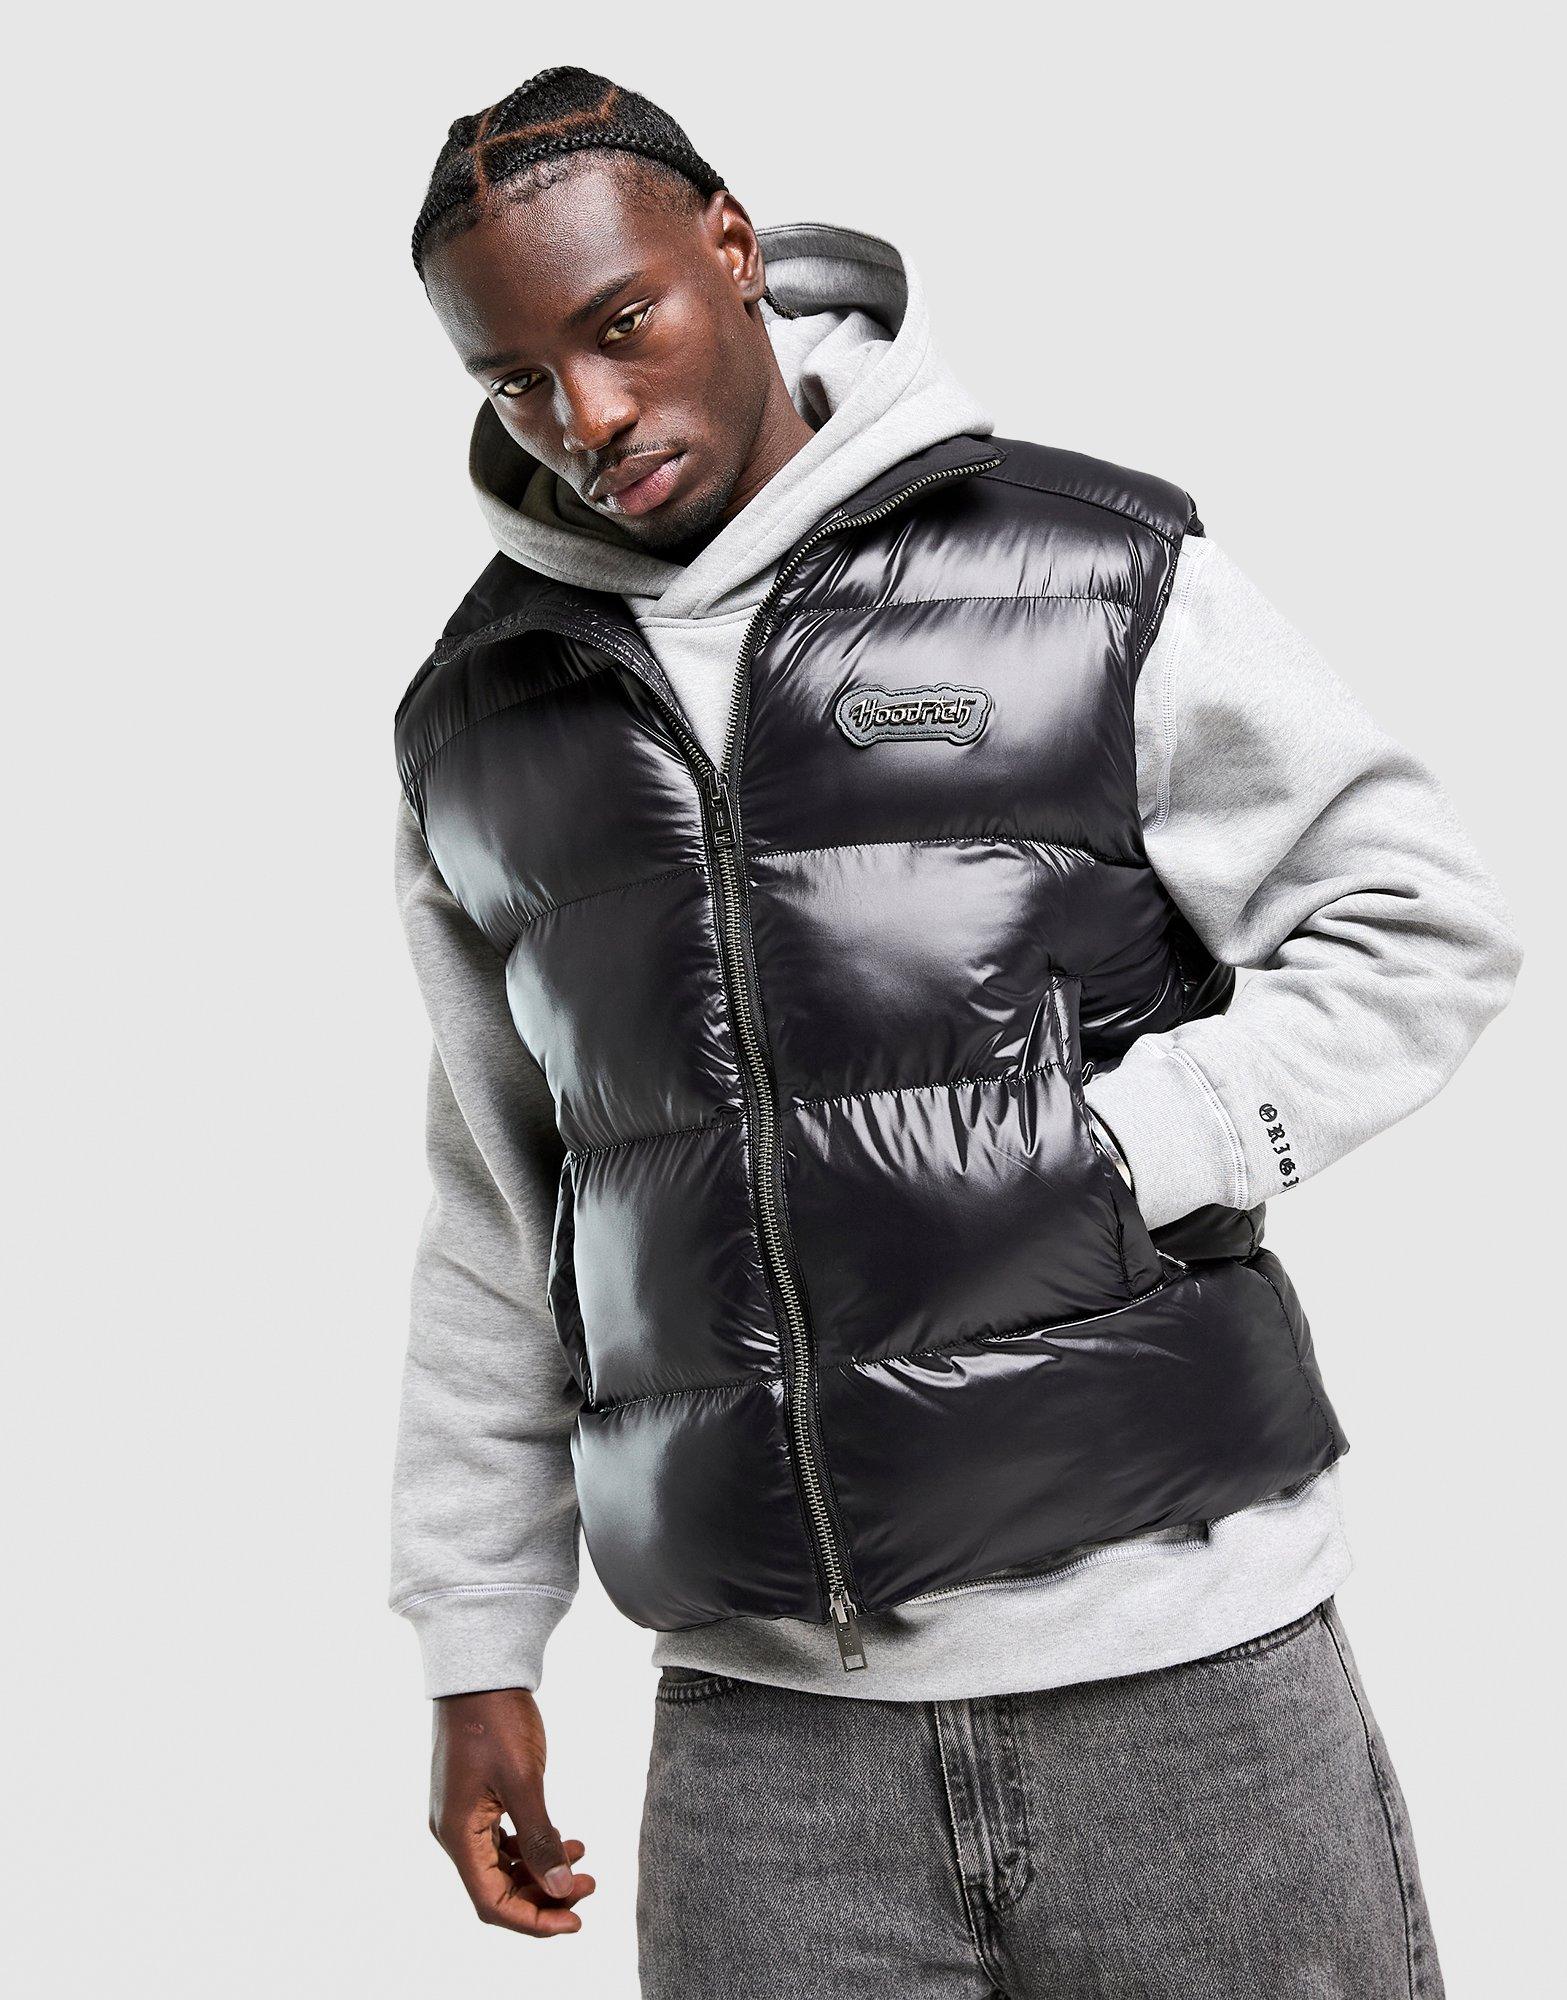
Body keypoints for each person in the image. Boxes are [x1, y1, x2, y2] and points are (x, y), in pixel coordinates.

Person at [389, 64, 1521, 1997]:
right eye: (514, 381)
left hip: (1186, 1682)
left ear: (731, 251)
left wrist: (1133, 1147)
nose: (587, 416)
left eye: (620, 324)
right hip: (765, 1752)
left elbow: (1417, 918)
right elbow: (508, 1207)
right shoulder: (483, 722)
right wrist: (476, 1641)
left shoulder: (1082, 570)